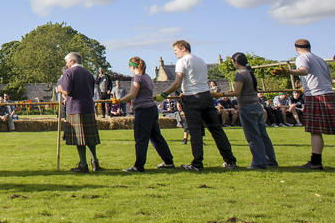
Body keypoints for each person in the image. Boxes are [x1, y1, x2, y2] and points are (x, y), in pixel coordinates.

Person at [158, 40, 237, 171]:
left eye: (176, 51)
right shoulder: (200, 60)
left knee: (195, 132)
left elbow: (177, 83)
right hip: (206, 96)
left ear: (183, 48)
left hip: (192, 98)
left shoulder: (182, 61)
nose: (175, 53)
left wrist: (163, 94)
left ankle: (197, 163)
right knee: (216, 130)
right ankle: (230, 161)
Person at [113, 57, 174, 172]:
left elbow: (133, 94)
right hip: (152, 109)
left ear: (132, 67)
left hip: (143, 110)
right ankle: (168, 162)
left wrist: (120, 101)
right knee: (156, 137)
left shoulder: (137, 78)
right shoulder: (147, 77)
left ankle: (138, 166)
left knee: (141, 139)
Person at [283, 39, 335, 170]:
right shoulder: (320, 60)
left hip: (315, 96)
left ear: (296, 48)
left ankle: (316, 162)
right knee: (317, 130)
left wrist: (289, 72)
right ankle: (315, 162)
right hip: (329, 94)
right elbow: (328, 79)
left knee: (315, 131)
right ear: (309, 47)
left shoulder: (302, 58)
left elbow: (304, 71)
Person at [222, 53, 277, 169]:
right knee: (263, 135)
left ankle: (259, 163)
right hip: (256, 106)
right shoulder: (249, 73)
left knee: (253, 137)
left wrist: (220, 94)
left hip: (247, 107)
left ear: (235, 61)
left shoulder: (240, 74)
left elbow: (237, 92)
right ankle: (271, 161)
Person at [56, 52, 101, 172]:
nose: (66, 64)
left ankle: (83, 164)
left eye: (67, 62)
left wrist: (60, 89)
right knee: (90, 138)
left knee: (79, 139)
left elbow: (66, 91)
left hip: (75, 108)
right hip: (89, 107)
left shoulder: (68, 73)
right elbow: (91, 92)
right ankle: (95, 162)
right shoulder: (89, 74)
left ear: (72, 61)